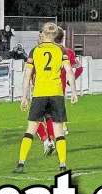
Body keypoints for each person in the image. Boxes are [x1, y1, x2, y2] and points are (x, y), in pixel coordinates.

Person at [11, 23, 78, 174]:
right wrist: (74, 92)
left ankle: (21, 164)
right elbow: (69, 71)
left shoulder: (35, 50)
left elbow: (27, 75)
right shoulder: (61, 50)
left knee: (30, 130)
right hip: (56, 93)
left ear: (43, 34)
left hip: (39, 93)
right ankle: (62, 166)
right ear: (55, 35)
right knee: (59, 131)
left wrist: (23, 97)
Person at [35, 27, 83, 155]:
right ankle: (57, 135)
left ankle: (47, 141)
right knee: (52, 115)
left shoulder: (41, 50)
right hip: (58, 88)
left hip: (42, 88)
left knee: (38, 117)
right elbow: (78, 69)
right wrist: (69, 83)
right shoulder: (68, 52)